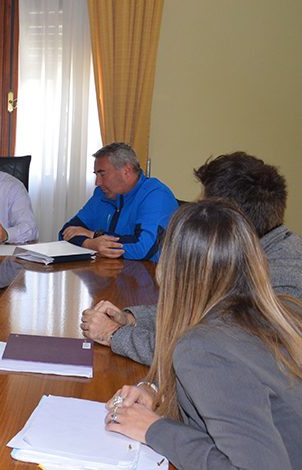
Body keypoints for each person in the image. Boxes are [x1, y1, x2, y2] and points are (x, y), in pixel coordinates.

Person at [103, 200, 302, 469]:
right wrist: (156, 389)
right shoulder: (280, 313)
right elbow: (238, 384)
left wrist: (153, 429)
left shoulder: (204, 347)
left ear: (173, 270)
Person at [82, 152, 302, 365]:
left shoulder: (286, 279)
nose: (197, 210)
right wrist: (131, 319)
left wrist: (114, 334)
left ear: (229, 219)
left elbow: (206, 354)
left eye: (204, 206)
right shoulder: (241, 251)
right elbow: (198, 312)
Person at [60, 143, 177, 261]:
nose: (97, 182)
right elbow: (66, 232)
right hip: (111, 268)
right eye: (96, 175)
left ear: (126, 171)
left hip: (150, 271)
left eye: (102, 174)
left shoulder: (156, 195)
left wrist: (94, 235)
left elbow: (143, 248)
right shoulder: (101, 194)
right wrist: (89, 243)